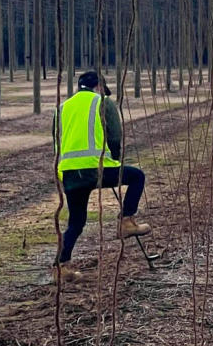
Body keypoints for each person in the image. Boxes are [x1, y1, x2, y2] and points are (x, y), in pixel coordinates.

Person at [54, 71, 151, 282]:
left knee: (76, 223)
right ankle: (126, 221)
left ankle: (60, 267)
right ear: (99, 86)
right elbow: (115, 137)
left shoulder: (62, 108)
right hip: (96, 168)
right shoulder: (103, 102)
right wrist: (114, 160)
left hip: (70, 172)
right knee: (137, 177)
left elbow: (57, 140)